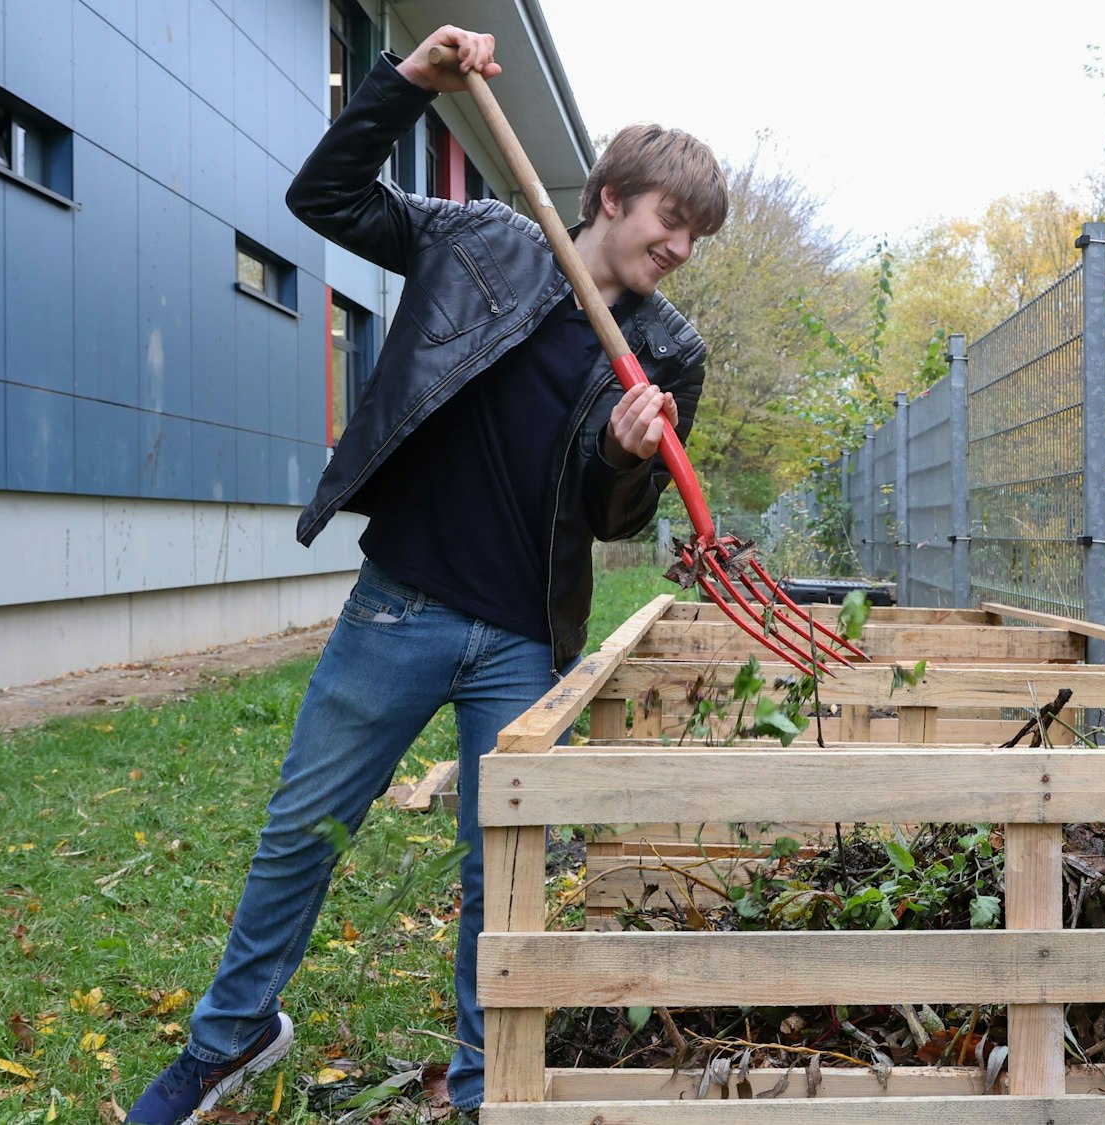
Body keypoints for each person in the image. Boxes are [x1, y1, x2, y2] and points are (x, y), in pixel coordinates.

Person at [127, 25, 726, 1124]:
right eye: (670, 220)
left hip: (522, 640)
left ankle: (477, 1076)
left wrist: (624, 457)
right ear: (608, 197)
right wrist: (403, 83)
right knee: (301, 833)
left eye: (696, 233)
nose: (681, 246)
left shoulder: (668, 350)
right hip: (398, 603)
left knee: (493, 878)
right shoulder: (482, 242)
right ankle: (231, 1039)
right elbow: (326, 200)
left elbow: (614, 520)